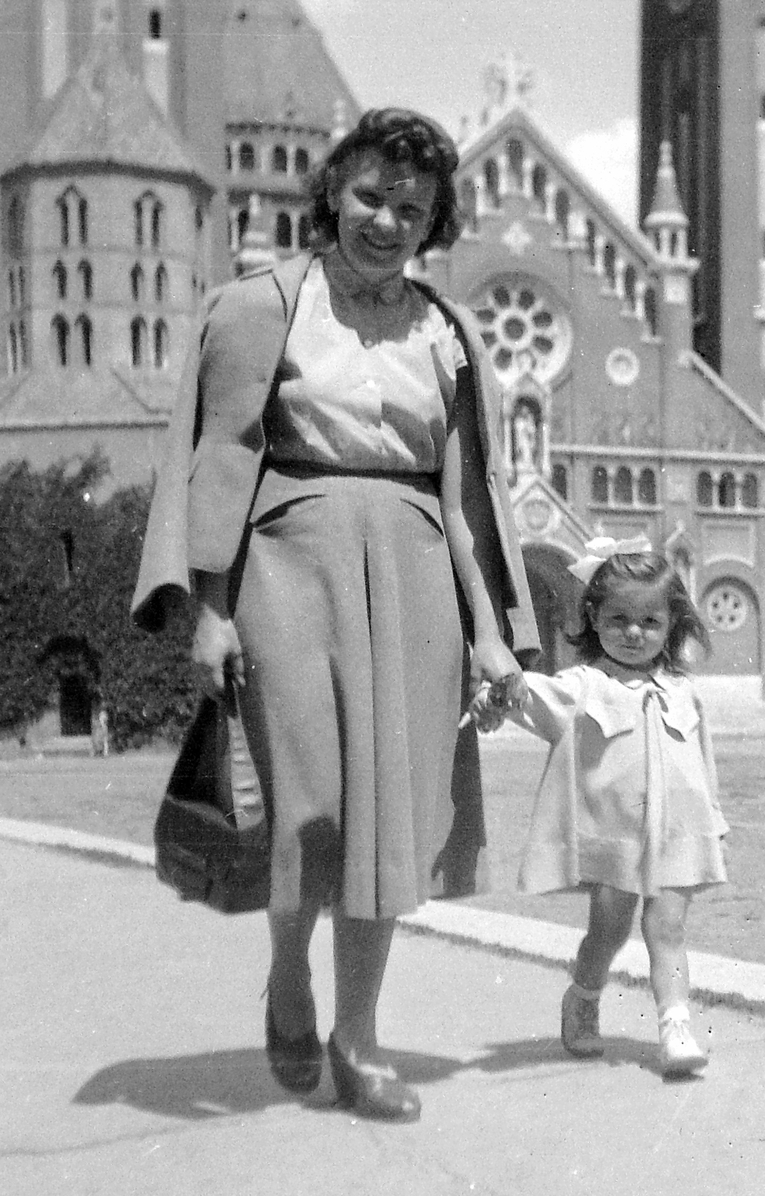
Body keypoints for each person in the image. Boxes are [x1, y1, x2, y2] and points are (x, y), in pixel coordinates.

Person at [131, 108, 539, 1122]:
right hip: (286, 570)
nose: (387, 221)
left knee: (386, 827)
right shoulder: (260, 305)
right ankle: (286, 972)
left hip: (414, 586)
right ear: (331, 195)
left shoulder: (447, 331)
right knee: (305, 813)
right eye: (369, 197)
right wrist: (209, 609)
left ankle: (358, 1042)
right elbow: (219, 460)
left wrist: (491, 634)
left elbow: (464, 497)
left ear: (434, 219)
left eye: (411, 207)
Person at [472, 537, 727, 1077]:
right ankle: (584, 996)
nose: (634, 633)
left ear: (670, 623)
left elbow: (700, 767)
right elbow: (528, 696)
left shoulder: (683, 692)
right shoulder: (583, 686)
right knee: (608, 932)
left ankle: (675, 1026)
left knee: (668, 929)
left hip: (676, 833)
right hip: (616, 837)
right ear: (593, 617)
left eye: (650, 622)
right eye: (618, 620)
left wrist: (712, 825)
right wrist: (498, 695)